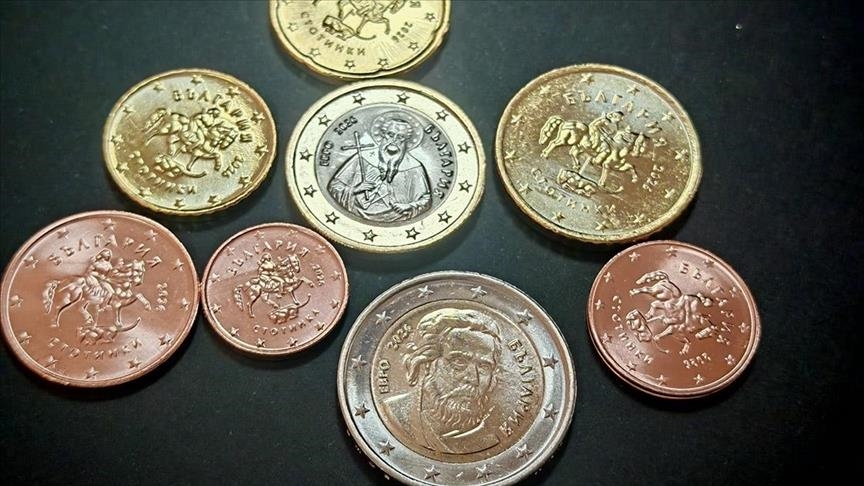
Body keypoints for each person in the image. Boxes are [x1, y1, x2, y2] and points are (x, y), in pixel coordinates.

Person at [382, 308, 502, 454]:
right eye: (459, 361)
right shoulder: (394, 414)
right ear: (428, 363)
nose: (473, 379)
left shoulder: (487, 440)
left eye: (484, 366)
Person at [327, 112, 432, 222]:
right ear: (383, 135)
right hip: (356, 211)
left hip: (396, 217)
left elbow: (426, 200)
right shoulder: (363, 157)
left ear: (407, 141)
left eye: (400, 137)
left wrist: (409, 206)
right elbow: (335, 186)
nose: (394, 140)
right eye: (390, 134)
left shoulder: (414, 167)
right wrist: (354, 190)